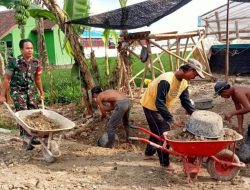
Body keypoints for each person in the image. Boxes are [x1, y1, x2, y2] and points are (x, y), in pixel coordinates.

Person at [140, 58, 205, 170]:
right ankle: (165, 164)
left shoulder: (183, 83)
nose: (195, 77)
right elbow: (159, 103)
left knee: (156, 130)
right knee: (164, 132)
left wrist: (195, 115)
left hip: (160, 107)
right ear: (189, 69)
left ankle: (148, 154)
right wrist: (172, 119)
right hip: (151, 106)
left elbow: (185, 101)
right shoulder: (166, 80)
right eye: (195, 74)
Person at [0, 39, 44, 150]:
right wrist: (2, 95)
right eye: (27, 48)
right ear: (21, 49)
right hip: (18, 91)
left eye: (31, 48)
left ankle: (34, 136)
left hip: (31, 91)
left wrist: (41, 92)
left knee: (34, 112)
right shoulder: (14, 61)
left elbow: (37, 78)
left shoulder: (36, 62)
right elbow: (6, 79)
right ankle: (26, 140)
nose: (30, 50)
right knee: (23, 113)